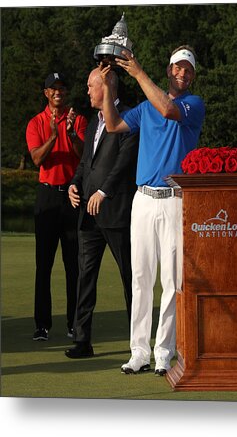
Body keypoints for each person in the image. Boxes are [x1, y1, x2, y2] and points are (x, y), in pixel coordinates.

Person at [100, 45, 205, 375]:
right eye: (177, 67)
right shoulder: (146, 107)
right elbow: (114, 125)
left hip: (176, 200)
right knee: (141, 277)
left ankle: (164, 351)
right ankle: (139, 351)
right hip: (143, 200)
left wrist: (137, 71)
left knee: (172, 280)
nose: (182, 73)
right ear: (169, 69)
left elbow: (169, 110)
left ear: (193, 75)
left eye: (188, 69)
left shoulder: (192, 105)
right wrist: (108, 89)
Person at [64, 67, 139, 359]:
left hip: (118, 211)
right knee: (85, 277)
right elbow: (86, 164)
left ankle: (139, 343)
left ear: (106, 86)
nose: (87, 91)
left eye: (90, 85)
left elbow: (123, 163)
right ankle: (82, 340)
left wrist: (102, 192)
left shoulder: (129, 118)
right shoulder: (94, 123)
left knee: (131, 278)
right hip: (88, 214)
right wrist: (74, 184)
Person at [26, 72, 88, 341]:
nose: (59, 92)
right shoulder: (36, 123)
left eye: (62, 87)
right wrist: (53, 136)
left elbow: (84, 156)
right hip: (48, 197)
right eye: (54, 88)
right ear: (46, 94)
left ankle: (74, 324)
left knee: (73, 264)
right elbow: (37, 159)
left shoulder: (79, 119)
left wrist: (71, 133)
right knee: (44, 265)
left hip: (72, 197)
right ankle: (42, 325)